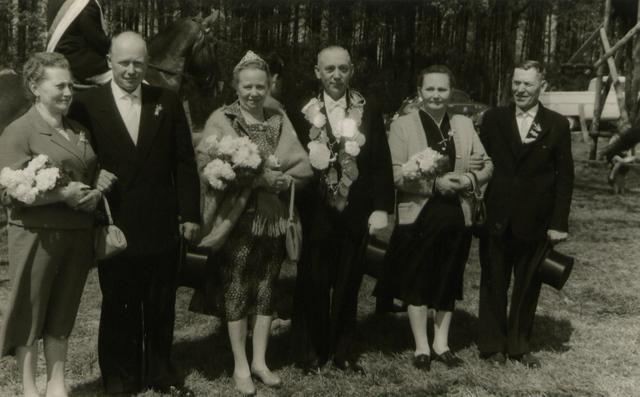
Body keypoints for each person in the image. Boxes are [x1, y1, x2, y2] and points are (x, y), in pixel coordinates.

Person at [68, 32, 200, 396]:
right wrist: (91, 174)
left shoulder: (167, 101)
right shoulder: (86, 103)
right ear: (109, 60)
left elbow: (185, 161)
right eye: (123, 62)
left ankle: (161, 373)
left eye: (137, 63)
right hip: (117, 223)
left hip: (161, 221)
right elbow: (69, 153)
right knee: (119, 304)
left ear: (147, 64)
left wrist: (190, 213)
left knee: (160, 304)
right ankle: (119, 378)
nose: (130, 70)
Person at [193, 50, 312, 396]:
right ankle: (240, 364)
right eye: (247, 86)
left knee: (266, 288)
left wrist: (284, 181)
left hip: (274, 219)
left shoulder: (278, 117)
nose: (254, 93)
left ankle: (260, 360)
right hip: (238, 219)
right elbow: (208, 164)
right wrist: (255, 178)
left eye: (261, 86)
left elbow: (300, 164)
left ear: (269, 85)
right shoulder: (223, 119)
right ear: (235, 86)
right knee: (238, 286)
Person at [375, 65, 493, 371]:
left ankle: (442, 343)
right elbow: (395, 172)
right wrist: (432, 184)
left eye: (442, 90)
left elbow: (486, 164)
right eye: (430, 89)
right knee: (419, 278)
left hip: (457, 214)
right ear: (419, 93)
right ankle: (422, 346)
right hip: (420, 215)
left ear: (450, 93)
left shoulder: (464, 124)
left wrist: (469, 180)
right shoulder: (403, 125)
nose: (436, 95)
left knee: (448, 277)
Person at [0, 52, 103, 397]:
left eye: (70, 85)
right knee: (30, 313)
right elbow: (10, 193)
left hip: (76, 235)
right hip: (35, 236)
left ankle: (57, 384)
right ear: (34, 86)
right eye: (59, 85)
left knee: (63, 312)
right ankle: (29, 389)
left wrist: (98, 190)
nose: (67, 92)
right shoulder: (20, 131)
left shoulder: (78, 130)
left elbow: (91, 171)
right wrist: (64, 195)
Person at [291, 45, 395, 373]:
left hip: (355, 208)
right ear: (317, 72)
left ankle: (342, 351)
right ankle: (313, 350)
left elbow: (380, 161)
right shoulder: (301, 109)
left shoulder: (369, 107)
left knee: (349, 281)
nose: (336, 75)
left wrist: (381, 208)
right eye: (329, 69)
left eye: (342, 69)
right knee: (314, 279)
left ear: (352, 70)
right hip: (315, 209)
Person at [477, 60, 574, 368]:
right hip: (497, 216)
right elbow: (480, 163)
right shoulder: (493, 119)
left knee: (528, 283)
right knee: (493, 281)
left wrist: (559, 223)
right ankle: (492, 346)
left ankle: (519, 345)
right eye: (516, 82)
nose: (520, 89)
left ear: (541, 87)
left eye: (528, 84)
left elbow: (565, 178)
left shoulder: (557, 124)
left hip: (536, 221)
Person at [46, 0, 111, 86]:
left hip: (57, 56)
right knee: (119, 73)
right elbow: (96, 39)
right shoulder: (85, 3)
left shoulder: (53, 2)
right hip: (77, 62)